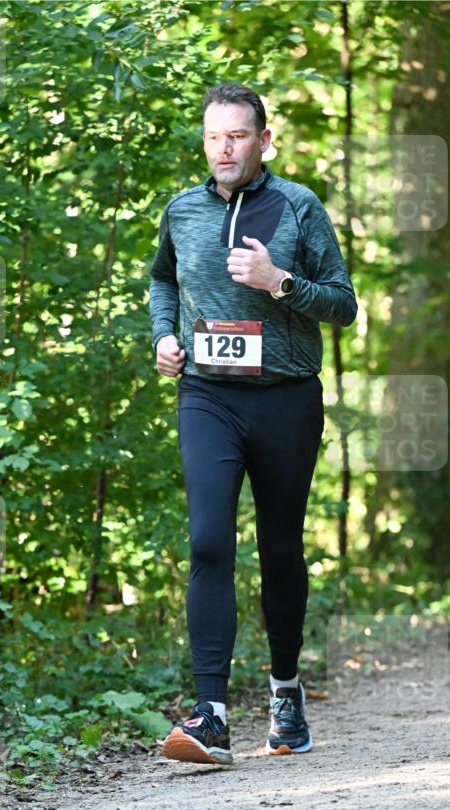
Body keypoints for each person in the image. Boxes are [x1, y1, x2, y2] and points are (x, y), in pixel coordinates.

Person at [149, 83, 357, 765]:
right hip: (209, 397)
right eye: (214, 137)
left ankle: (284, 690)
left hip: (285, 400)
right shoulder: (181, 210)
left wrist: (278, 281)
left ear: (263, 141)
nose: (224, 149)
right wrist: (162, 339)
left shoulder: (297, 207)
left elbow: (343, 305)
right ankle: (209, 715)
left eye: (237, 136)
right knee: (210, 540)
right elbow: (163, 283)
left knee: (278, 551)